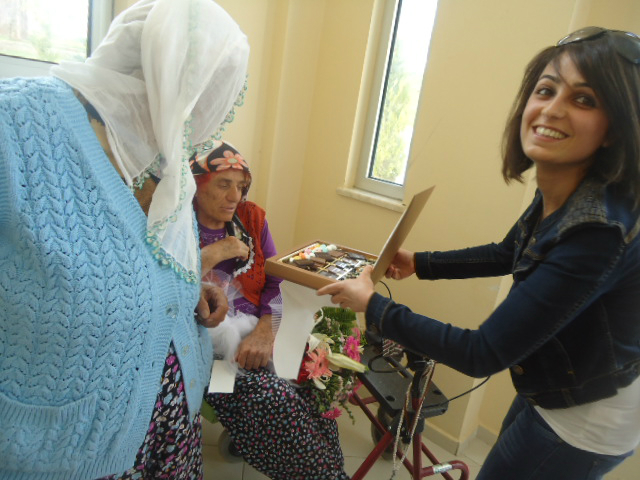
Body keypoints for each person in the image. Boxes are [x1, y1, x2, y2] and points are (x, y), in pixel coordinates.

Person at [318, 26, 640, 480]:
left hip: (585, 421)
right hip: (552, 388)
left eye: (583, 99)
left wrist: (373, 306)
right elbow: (509, 251)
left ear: (614, 128)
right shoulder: (567, 186)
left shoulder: (596, 230)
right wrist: (421, 263)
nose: (552, 108)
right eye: (545, 90)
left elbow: (481, 352)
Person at [0, 0, 248, 478]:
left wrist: (186, 292)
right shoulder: (16, 126)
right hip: (64, 450)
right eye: (196, 92)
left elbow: (136, 266)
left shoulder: (162, 159)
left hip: (169, 430)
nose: (196, 117)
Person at [191, 141, 351, 480]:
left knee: (312, 380)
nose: (235, 196)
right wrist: (216, 251)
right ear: (195, 183)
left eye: (241, 186)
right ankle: (319, 474)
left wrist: (266, 330)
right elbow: (164, 290)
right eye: (224, 184)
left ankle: (332, 472)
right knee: (272, 399)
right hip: (205, 352)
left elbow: (276, 281)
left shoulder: (251, 219)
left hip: (259, 332)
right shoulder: (176, 227)